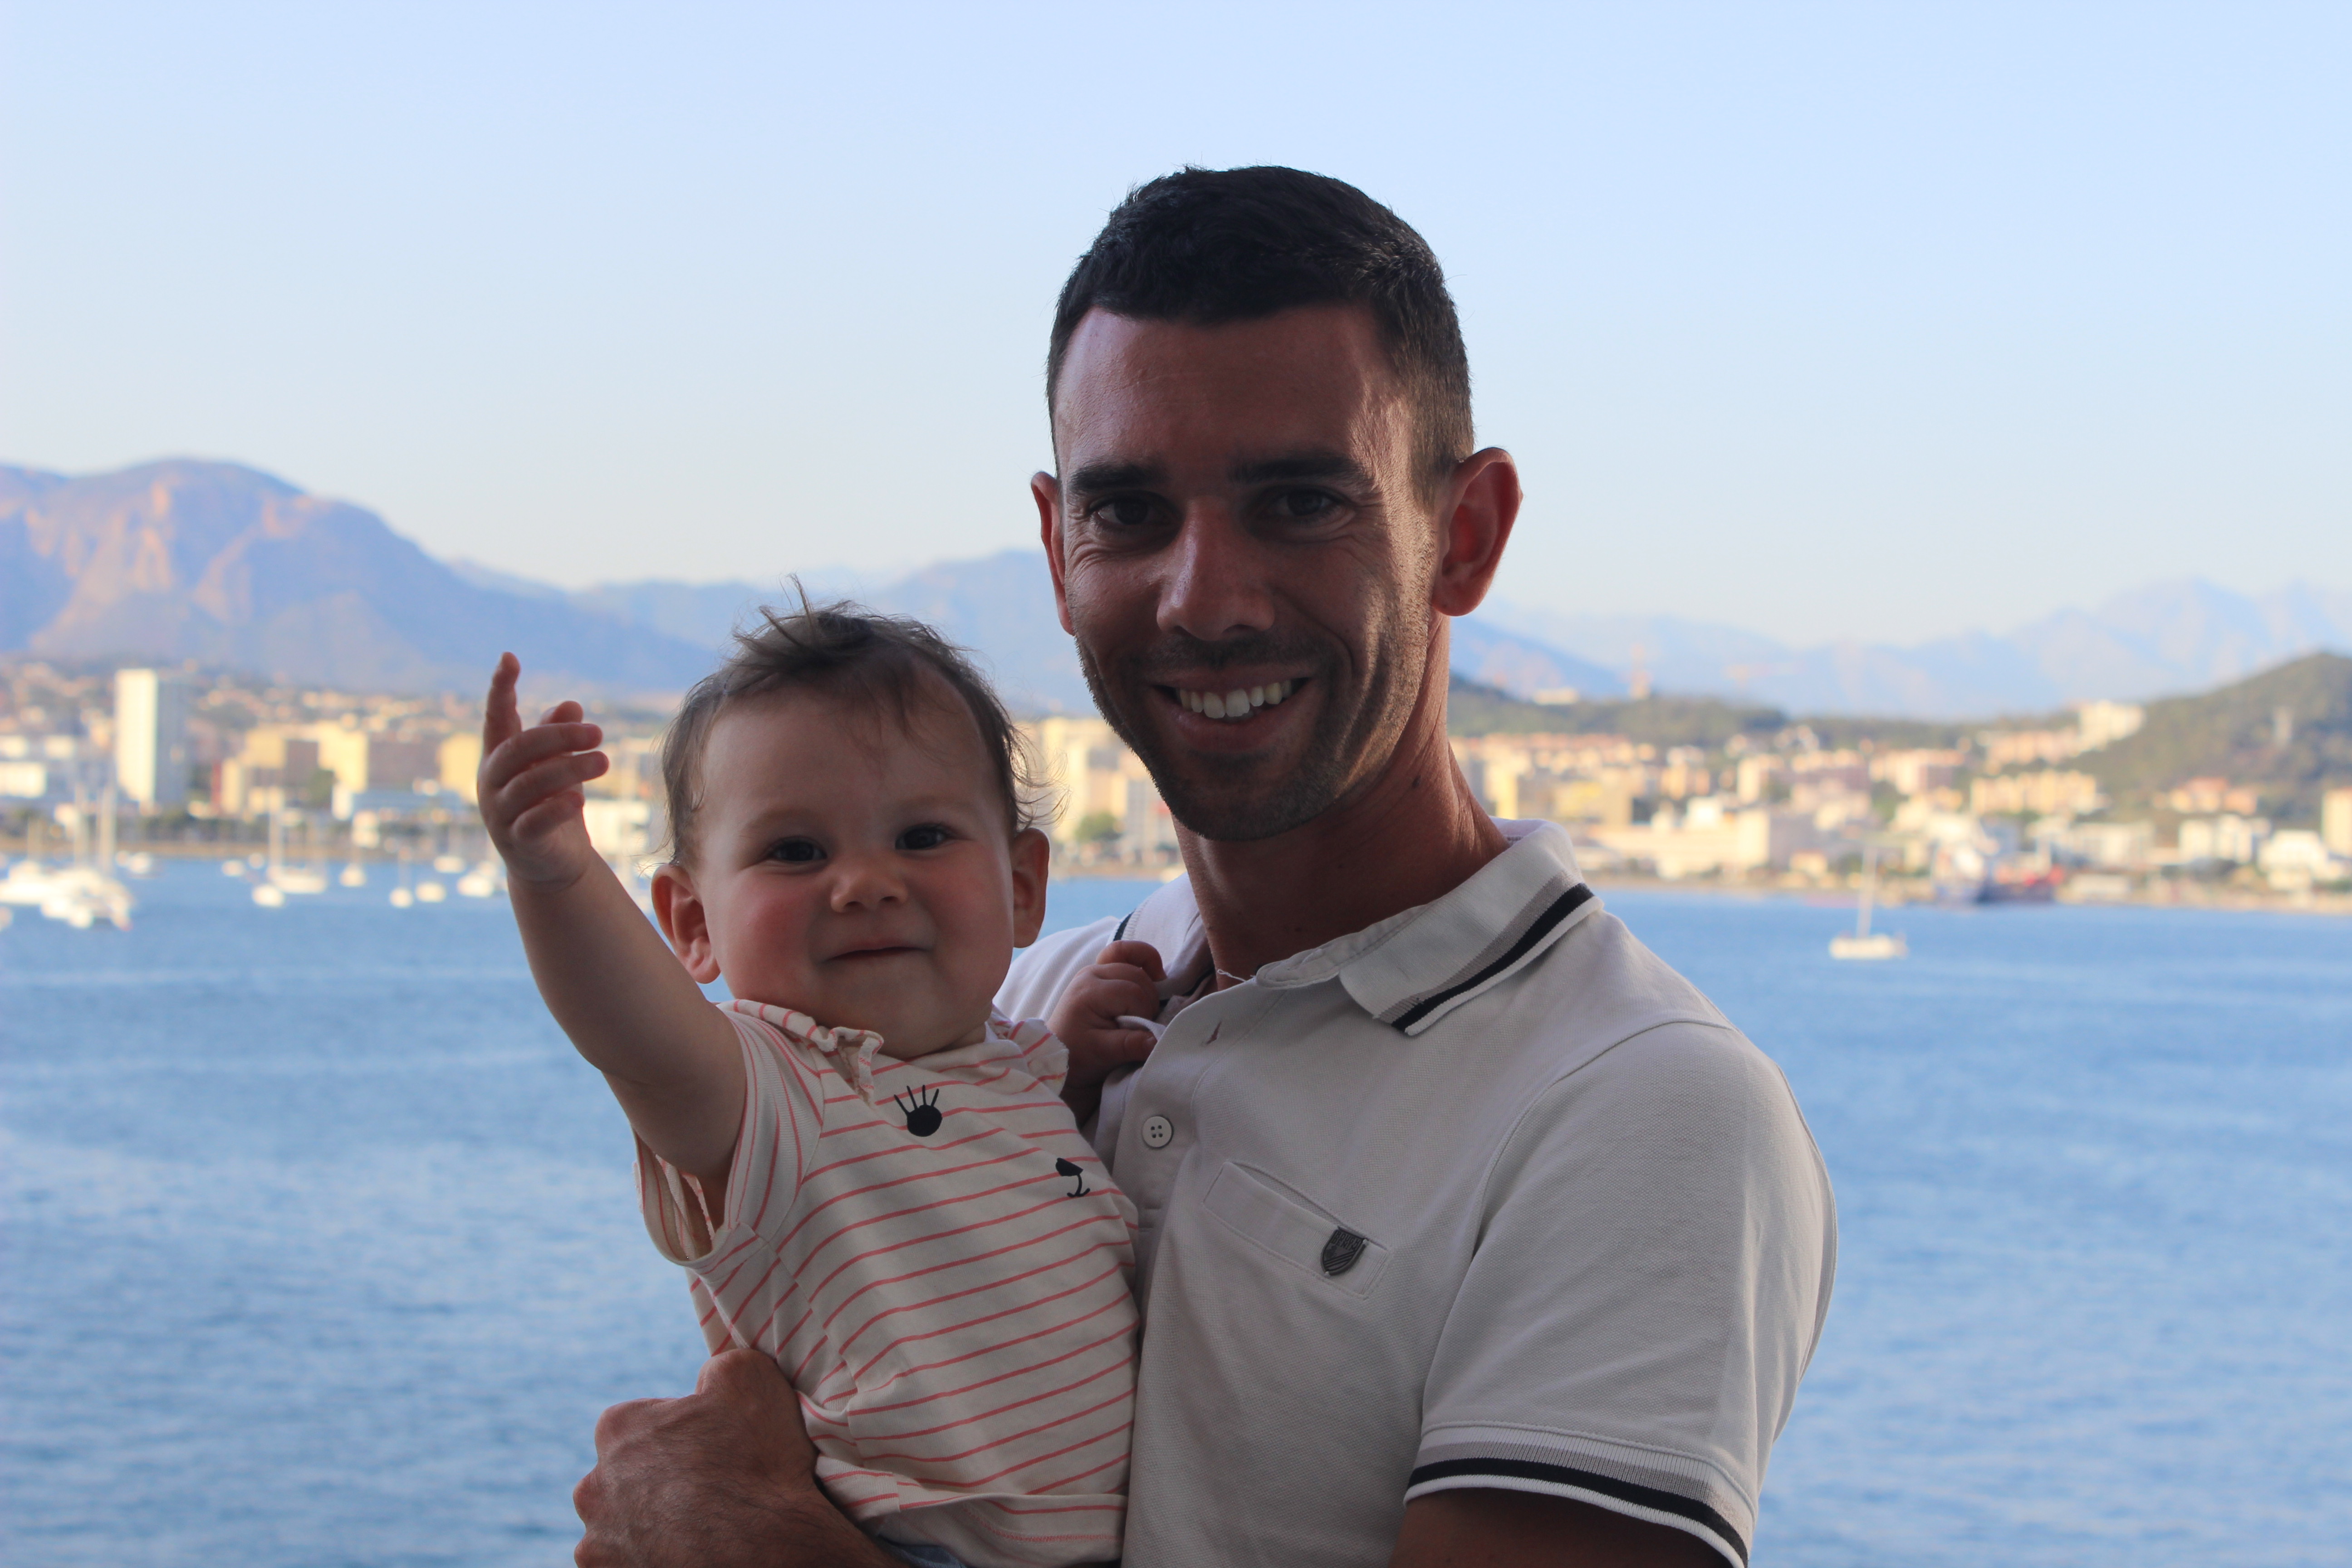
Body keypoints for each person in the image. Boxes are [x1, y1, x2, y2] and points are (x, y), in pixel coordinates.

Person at [573, 166, 1838, 1568]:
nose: (1204, 598)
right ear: (1058, 549)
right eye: (1130, 514)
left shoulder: (1643, 1111)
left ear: (1464, 535)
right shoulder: (1014, 1013)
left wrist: (754, 1543)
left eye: (1297, 502)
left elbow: (764, 1510)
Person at [480, 608, 1158, 1568]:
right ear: (692, 923)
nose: (866, 883)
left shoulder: (1008, 1063)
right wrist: (555, 877)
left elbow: (987, 1147)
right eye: (796, 852)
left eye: (923, 836)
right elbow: (633, 1037)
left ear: (1021, 888)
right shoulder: (771, 1097)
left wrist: (1073, 1060)